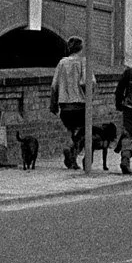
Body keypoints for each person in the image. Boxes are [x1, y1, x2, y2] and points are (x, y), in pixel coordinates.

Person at [50, 36, 88, 169]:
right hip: (80, 104)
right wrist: (90, 94)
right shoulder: (83, 62)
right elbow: (86, 82)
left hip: (65, 105)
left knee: (69, 129)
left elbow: (54, 85)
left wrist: (53, 103)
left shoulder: (62, 63)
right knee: (82, 133)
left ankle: (68, 148)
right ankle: (74, 155)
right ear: (81, 48)